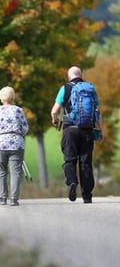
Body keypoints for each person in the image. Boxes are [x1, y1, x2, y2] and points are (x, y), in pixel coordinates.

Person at [51, 66, 103, 203]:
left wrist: (55, 119)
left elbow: (54, 110)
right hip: (87, 131)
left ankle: (72, 182)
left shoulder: (65, 88)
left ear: (69, 77)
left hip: (70, 130)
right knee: (86, 163)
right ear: (81, 75)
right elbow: (97, 112)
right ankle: (87, 195)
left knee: (70, 160)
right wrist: (101, 130)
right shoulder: (90, 89)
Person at [0, 86, 29, 206]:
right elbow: (25, 128)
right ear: (13, 97)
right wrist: (18, 134)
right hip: (16, 144)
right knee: (15, 172)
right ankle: (14, 199)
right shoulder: (18, 110)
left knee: (1, 172)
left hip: (0, 144)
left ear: (1, 98)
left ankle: (2, 198)